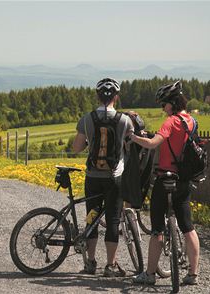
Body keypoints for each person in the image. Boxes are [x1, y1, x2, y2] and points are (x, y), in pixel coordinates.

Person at [132, 81, 200, 285]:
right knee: (188, 227)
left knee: (157, 229)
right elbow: (176, 142)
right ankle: (193, 275)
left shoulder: (170, 121)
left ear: (172, 103)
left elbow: (154, 144)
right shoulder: (191, 121)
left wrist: (134, 137)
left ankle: (150, 274)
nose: (163, 108)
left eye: (164, 104)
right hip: (184, 180)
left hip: (165, 180)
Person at [72, 78, 134, 277]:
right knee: (113, 220)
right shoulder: (125, 121)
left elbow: (76, 148)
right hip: (114, 178)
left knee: (92, 218)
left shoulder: (87, 119)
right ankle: (110, 265)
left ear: (97, 96)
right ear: (116, 97)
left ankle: (90, 263)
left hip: (92, 177)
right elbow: (130, 145)